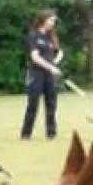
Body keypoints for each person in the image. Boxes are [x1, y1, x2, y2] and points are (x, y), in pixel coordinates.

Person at [21, 9, 63, 140]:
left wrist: (55, 62)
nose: (53, 23)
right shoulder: (33, 36)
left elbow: (59, 52)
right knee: (33, 104)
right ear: (43, 20)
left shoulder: (51, 37)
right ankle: (26, 134)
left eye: (54, 21)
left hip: (49, 76)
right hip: (36, 74)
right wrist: (51, 67)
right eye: (51, 20)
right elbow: (35, 57)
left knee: (51, 104)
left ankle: (51, 133)